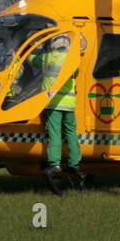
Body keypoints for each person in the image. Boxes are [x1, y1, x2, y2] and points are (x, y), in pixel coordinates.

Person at [40, 35, 81, 189]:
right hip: (70, 102)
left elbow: (31, 60)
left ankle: (55, 163)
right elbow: (75, 74)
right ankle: (75, 162)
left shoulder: (46, 58)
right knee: (71, 132)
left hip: (53, 103)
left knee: (55, 133)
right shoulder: (72, 59)